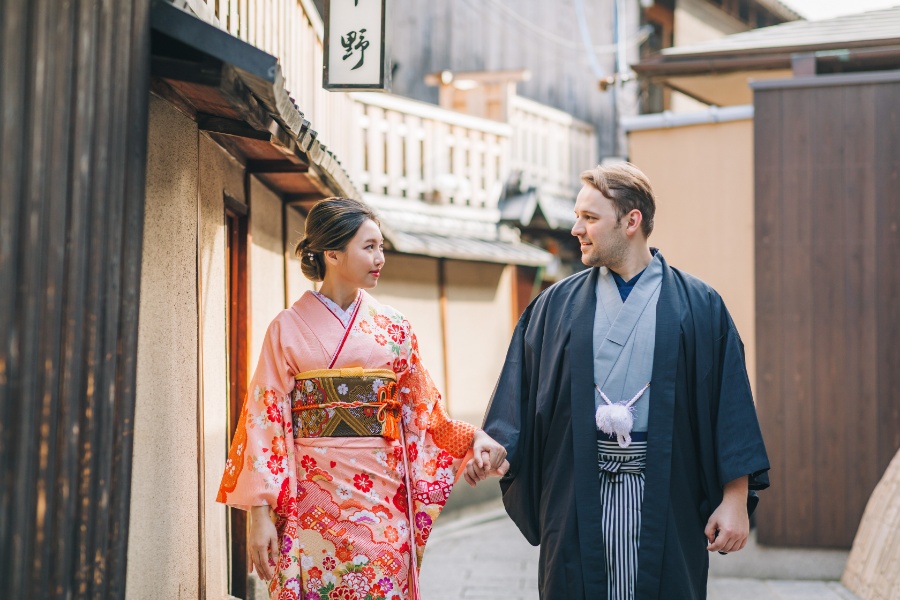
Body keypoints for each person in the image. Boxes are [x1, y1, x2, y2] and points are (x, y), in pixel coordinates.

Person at [467, 163, 770, 599]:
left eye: (590, 218)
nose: (576, 229)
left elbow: (731, 406)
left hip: (669, 489)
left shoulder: (699, 306)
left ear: (632, 221)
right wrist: (496, 449)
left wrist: (735, 499)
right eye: (578, 216)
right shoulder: (555, 306)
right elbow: (519, 396)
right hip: (576, 491)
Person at [217, 197, 508, 600]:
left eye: (382, 247)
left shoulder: (394, 329)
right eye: (369, 247)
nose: (380, 258)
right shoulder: (286, 329)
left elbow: (426, 415)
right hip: (310, 503)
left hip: (382, 503)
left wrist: (474, 438)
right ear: (332, 252)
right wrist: (260, 515)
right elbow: (263, 421)